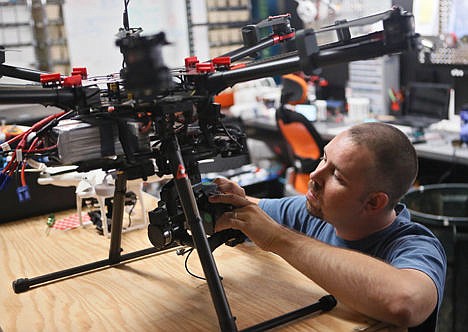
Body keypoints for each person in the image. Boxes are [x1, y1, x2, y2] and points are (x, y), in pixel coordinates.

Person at [209, 122, 446, 331]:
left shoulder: (416, 245)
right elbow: (251, 208)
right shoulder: (311, 212)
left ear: (374, 202)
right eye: (324, 158)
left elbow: (405, 302)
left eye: (337, 176)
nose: (314, 175)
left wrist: (279, 240)